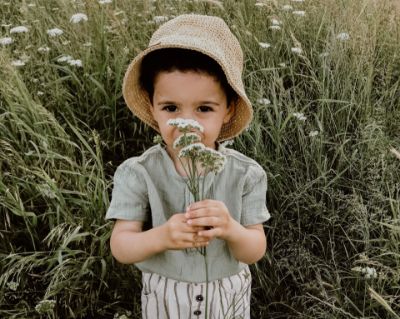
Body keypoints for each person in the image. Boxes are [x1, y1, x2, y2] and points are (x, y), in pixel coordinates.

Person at [106, 14, 271, 318]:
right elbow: (121, 246)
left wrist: (231, 230)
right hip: (166, 297)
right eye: (171, 108)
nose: (188, 124)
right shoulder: (139, 173)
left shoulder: (246, 174)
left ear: (228, 110)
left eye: (204, 108)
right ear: (152, 105)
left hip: (227, 296)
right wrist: (162, 236)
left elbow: (254, 249)